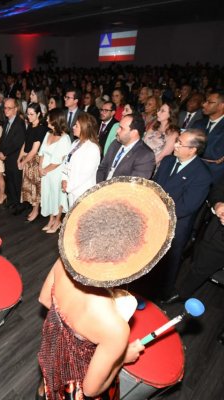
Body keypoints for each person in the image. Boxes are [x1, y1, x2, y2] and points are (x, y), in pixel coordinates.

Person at [38, 178, 176, 400]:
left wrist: (69, 335)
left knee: (47, 387)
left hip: (52, 353)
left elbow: (45, 299)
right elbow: (91, 389)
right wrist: (123, 356)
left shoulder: (63, 264)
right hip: (74, 384)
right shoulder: (115, 328)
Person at [150, 129, 212, 300]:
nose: (175, 145)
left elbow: (187, 206)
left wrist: (160, 211)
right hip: (153, 216)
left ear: (192, 150)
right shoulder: (169, 161)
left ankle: (159, 297)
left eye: (180, 143)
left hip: (175, 225)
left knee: (166, 267)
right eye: (176, 140)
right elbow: (155, 186)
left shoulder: (202, 175)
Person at [96, 113, 156, 182]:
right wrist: (100, 187)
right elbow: (102, 168)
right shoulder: (115, 144)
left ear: (134, 133)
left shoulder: (145, 155)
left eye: (121, 128)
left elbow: (134, 186)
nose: (117, 130)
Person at [39, 108, 71, 233]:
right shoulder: (48, 134)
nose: (47, 119)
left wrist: (44, 170)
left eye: (49, 118)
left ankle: (58, 221)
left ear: (56, 120)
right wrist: (40, 167)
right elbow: (41, 152)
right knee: (48, 195)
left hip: (56, 173)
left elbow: (58, 161)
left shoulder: (65, 138)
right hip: (45, 172)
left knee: (58, 196)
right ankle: (51, 219)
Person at [62, 113, 100, 208]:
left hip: (83, 192)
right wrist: (64, 179)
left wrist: (69, 186)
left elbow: (85, 174)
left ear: (84, 128)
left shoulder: (93, 148)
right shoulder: (75, 143)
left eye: (76, 125)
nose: (73, 127)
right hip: (72, 190)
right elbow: (66, 162)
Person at [17, 103, 48, 222]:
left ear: (39, 114)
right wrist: (19, 157)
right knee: (29, 188)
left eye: (31, 114)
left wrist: (23, 161)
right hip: (28, 159)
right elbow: (26, 143)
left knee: (35, 188)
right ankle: (33, 209)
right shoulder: (30, 126)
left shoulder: (41, 128)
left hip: (35, 161)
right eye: (27, 114)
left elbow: (35, 150)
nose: (28, 116)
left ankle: (36, 211)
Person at [0, 98, 26, 211]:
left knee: (17, 182)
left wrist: (4, 153)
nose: (6, 110)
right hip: (7, 158)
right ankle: (13, 201)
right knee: (10, 181)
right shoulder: (7, 122)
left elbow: (18, 142)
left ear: (16, 109)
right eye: (5, 107)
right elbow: (2, 138)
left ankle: (20, 205)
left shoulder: (19, 122)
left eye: (9, 108)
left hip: (15, 158)